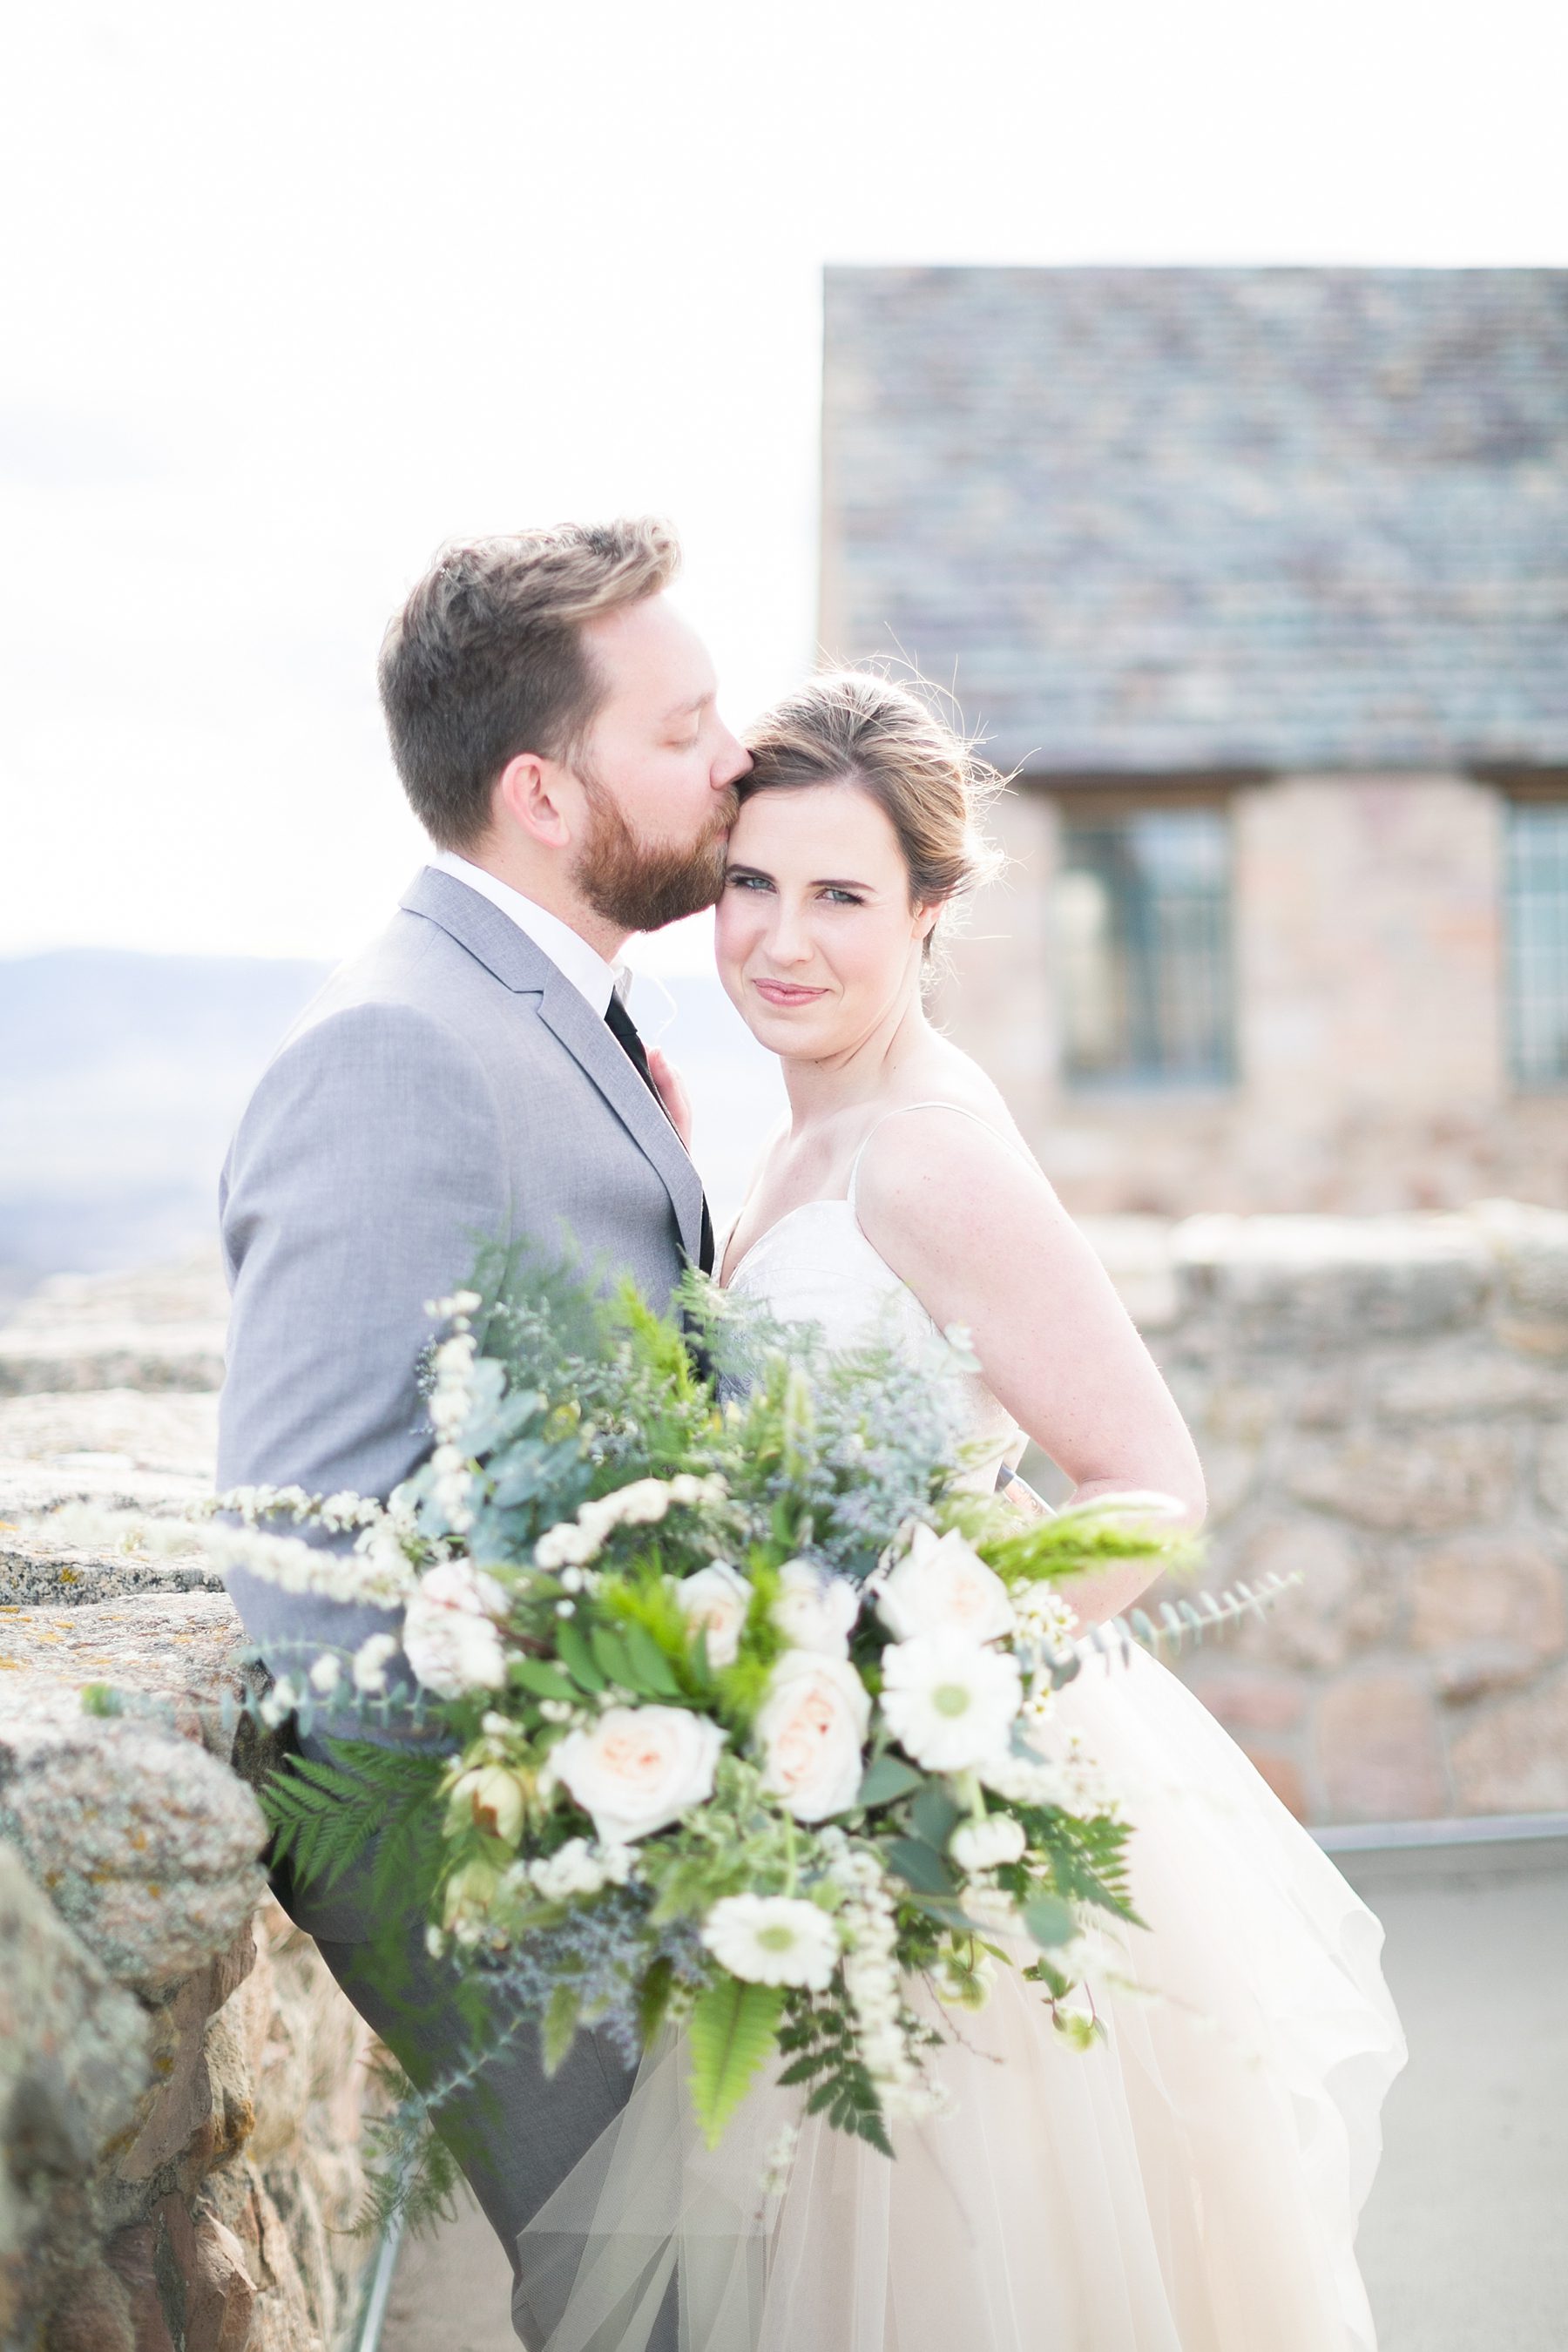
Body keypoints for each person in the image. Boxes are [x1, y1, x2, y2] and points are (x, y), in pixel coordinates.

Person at [520, 671, 1405, 2352]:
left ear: (931, 908)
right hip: (813, 1783)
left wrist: (914, 1715)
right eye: (752, 884)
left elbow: (1149, 1487)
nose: (783, 940)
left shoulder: (923, 1152)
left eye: (842, 896)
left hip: (931, 1812)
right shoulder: (799, 1135)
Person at [216, 517, 748, 2348]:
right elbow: (309, 1571)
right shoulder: (400, 1050)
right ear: (542, 792)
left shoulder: (562, 1009)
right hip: (519, 1906)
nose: (736, 758)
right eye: (682, 730)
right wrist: (557, 1902)